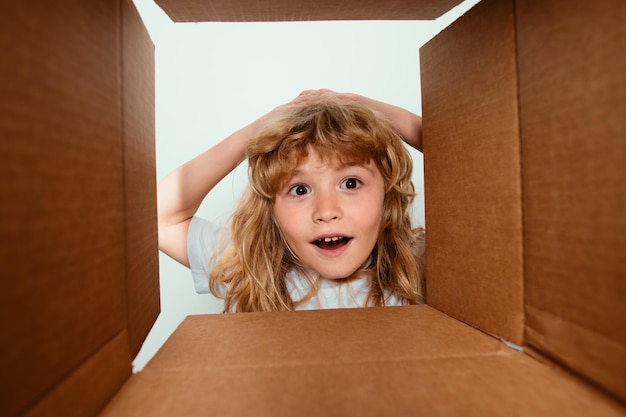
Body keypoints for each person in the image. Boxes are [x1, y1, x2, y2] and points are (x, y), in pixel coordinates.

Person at [157, 89, 424, 312]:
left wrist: (364, 107)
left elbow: (463, 155)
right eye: (299, 190)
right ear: (271, 208)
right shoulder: (251, 269)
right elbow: (156, 217)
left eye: (350, 183)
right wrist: (256, 132)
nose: (327, 211)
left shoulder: (417, 263)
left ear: (387, 195)